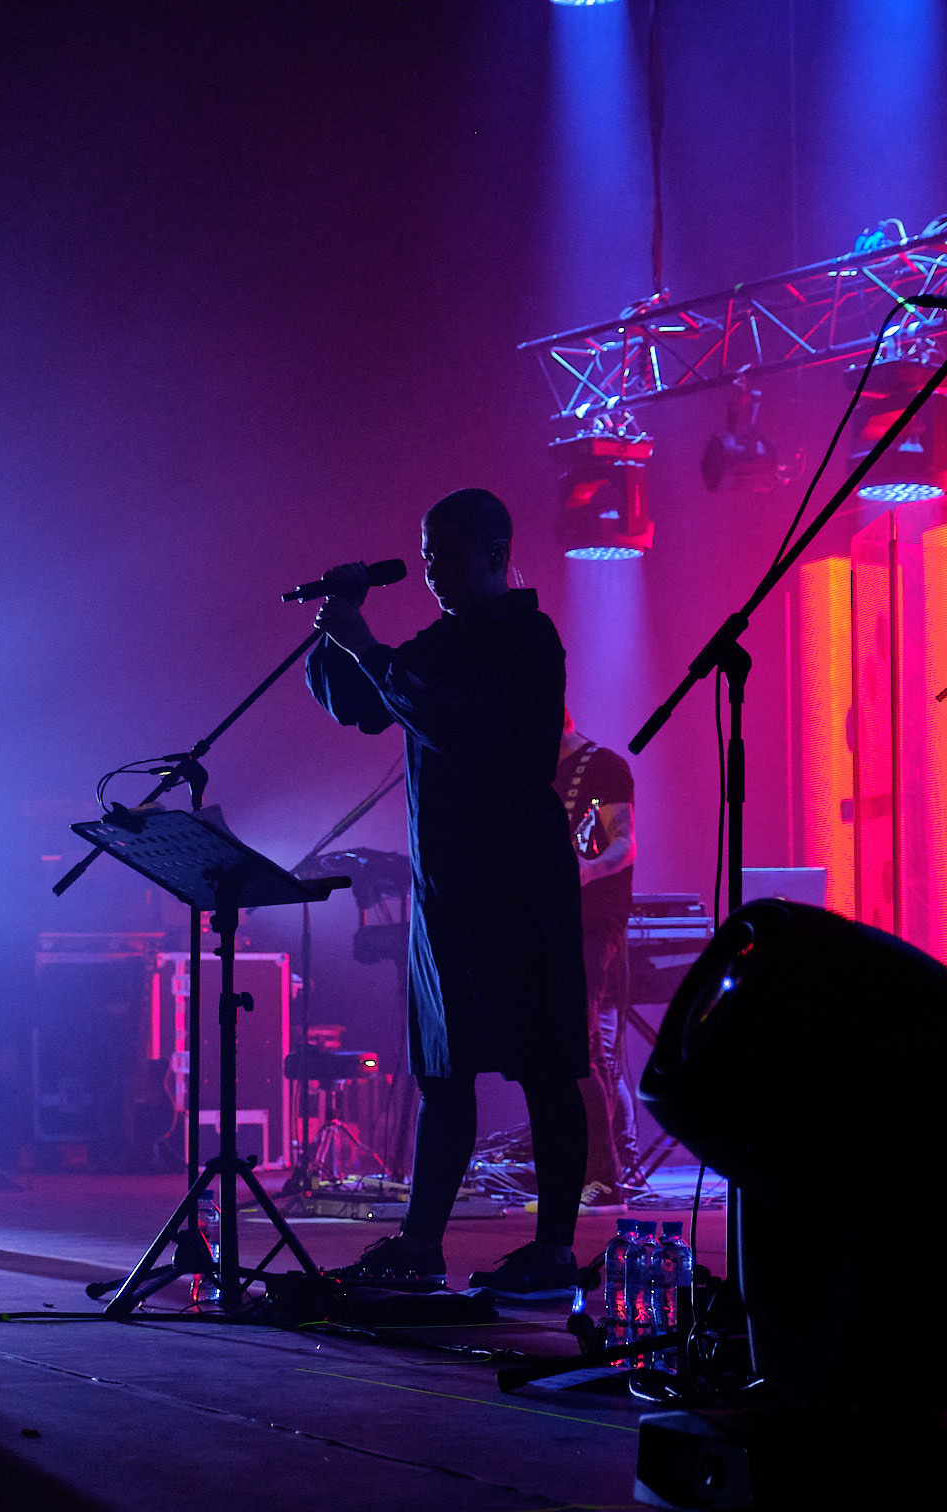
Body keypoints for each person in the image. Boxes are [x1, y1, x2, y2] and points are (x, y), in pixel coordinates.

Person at [306, 489, 590, 1299]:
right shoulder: (443, 638)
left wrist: (368, 648)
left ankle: (555, 1252)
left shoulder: (526, 638)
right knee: (442, 1070)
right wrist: (337, 631)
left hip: (516, 885)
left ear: (496, 554)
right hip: (447, 892)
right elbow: (364, 705)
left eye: (448, 556)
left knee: (543, 1065)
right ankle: (420, 1243)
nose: (432, 572)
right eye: (427, 555)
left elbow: (443, 714)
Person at [556, 710, 638, 1204]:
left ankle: (605, 1174)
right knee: (578, 1047)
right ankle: (601, 1162)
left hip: (592, 921)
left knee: (584, 1044)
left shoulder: (601, 766)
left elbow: (624, 842)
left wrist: (588, 869)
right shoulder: (535, 772)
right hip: (550, 922)